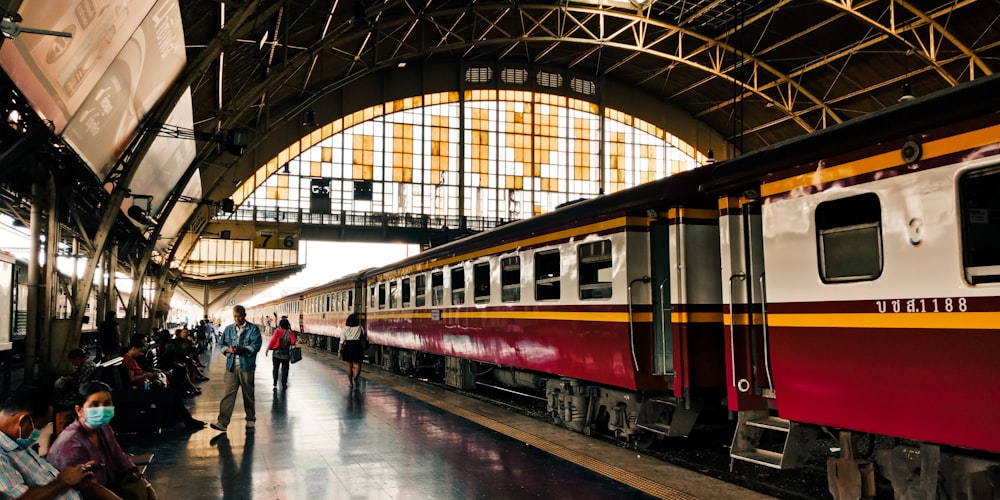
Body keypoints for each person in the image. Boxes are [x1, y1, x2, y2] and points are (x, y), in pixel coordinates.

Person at [47, 382, 158, 500]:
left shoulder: (104, 429)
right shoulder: (71, 445)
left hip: (107, 488)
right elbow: (91, 488)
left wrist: (147, 485)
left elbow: (120, 458)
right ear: (79, 410)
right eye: (94, 405)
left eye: (107, 403)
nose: (102, 409)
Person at [0, 385, 93, 499]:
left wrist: (74, 479)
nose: (38, 434)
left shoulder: (18, 443)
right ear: (23, 420)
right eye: (39, 427)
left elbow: (43, 480)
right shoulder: (2, 454)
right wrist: (63, 482)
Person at [121, 341, 206, 430]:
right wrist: (146, 375)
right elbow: (132, 379)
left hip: (146, 385)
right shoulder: (128, 360)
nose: (141, 353)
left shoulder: (131, 359)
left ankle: (184, 418)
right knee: (173, 394)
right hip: (144, 389)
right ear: (133, 348)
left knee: (174, 391)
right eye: (139, 351)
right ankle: (187, 419)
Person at [211, 305, 262, 432]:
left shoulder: (253, 329)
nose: (237, 319)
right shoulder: (228, 329)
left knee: (248, 394)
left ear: (244, 315)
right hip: (231, 367)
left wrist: (243, 349)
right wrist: (229, 350)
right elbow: (221, 344)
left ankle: (250, 419)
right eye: (235, 316)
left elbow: (256, 345)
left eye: (239, 316)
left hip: (247, 367)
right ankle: (222, 423)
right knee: (228, 394)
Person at [265, 318, 297, 389]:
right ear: (288, 325)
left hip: (276, 354)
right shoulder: (290, 333)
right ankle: (284, 383)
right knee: (285, 369)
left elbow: (273, 340)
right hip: (285, 355)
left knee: (275, 368)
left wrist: (268, 349)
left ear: (280, 325)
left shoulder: (277, 331)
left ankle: (275, 382)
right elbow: (293, 342)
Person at [338, 313, 366, 389]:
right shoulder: (360, 327)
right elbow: (363, 336)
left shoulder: (345, 328)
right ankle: (356, 377)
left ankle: (350, 383)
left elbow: (341, 341)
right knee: (358, 364)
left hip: (348, 346)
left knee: (349, 365)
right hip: (357, 346)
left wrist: (339, 352)